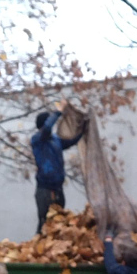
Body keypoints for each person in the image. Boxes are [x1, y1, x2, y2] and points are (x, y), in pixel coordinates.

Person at [31, 98, 87, 233]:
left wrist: (83, 130)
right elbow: (47, 128)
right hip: (44, 189)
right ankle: (39, 243)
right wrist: (58, 111)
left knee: (59, 221)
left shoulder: (55, 140)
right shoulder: (38, 140)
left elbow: (70, 142)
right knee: (45, 223)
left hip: (58, 188)